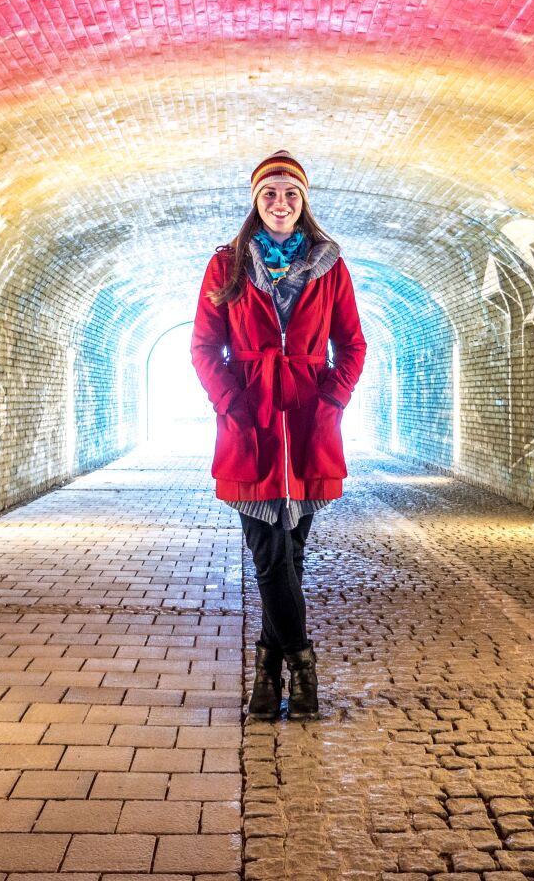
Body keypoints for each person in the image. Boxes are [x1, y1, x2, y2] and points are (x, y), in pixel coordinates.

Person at [190, 149, 366, 720]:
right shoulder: (228, 265)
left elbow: (353, 344)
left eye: (291, 193)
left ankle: (267, 671)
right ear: (255, 201)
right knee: (269, 554)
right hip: (252, 428)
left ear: (304, 201)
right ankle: (303, 664)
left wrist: (332, 399)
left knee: (292, 552)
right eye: (270, 193)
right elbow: (203, 347)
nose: (281, 203)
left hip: (310, 427)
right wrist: (231, 404)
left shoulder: (329, 266)